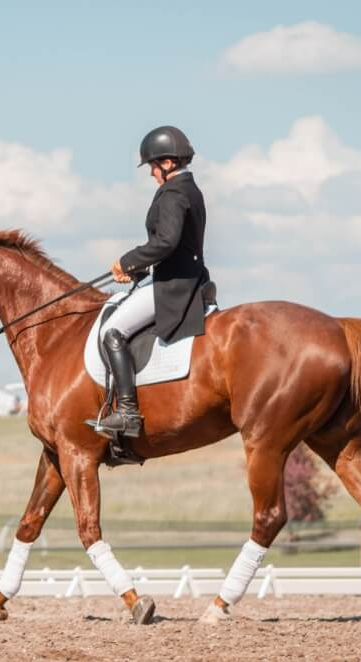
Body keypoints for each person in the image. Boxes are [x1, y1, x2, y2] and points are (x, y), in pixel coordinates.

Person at [91, 126, 210, 457]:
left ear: (169, 163)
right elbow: (175, 246)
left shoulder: (173, 193)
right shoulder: (189, 188)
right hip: (185, 277)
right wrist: (139, 269)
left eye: (154, 167)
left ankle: (127, 411)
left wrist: (127, 261)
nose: (152, 174)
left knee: (112, 330)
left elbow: (166, 242)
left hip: (173, 287)